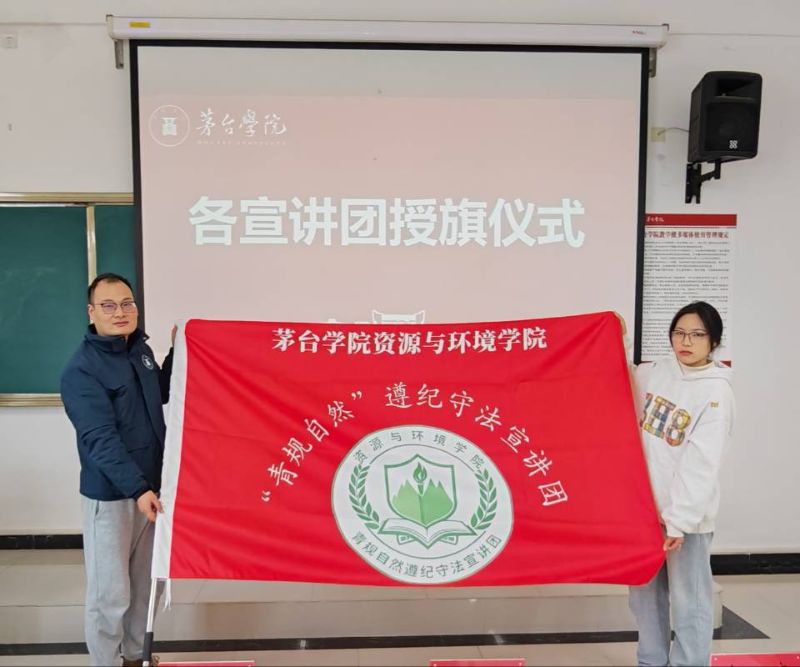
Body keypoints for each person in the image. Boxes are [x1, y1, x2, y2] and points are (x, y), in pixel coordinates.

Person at [61, 273, 173, 667]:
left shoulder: (139, 350)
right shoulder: (82, 370)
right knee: (110, 594)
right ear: (92, 312)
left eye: (127, 303)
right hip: (112, 497)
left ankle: (134, 658)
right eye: (108, 306)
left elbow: (159, 392)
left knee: (147, 586)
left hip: (152, 491)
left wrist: (177, 354)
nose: (120, 312)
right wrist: (137, 489)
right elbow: (100, 439)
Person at [626, 301, 734, 667]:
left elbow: (701, 463)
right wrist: (617, 337)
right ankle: (651, 661)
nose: (686, 342)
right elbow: (620, 377)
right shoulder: (656, 372)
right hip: (645, 511)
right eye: (679, 333)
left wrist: (679, 520)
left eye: (697, 335)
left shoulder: (716, 392)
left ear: (713, 341)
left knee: (691, 602)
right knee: (644, 596)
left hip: (686, 521)